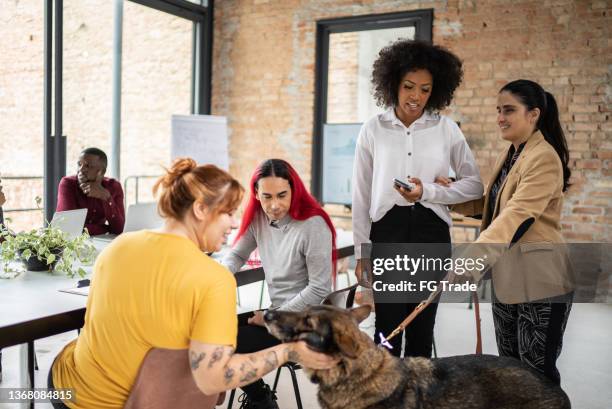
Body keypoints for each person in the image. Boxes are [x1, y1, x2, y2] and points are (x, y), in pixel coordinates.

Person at [49, 158, 337, 409]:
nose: (234, 223)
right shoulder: (212, 280)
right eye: (227, 213)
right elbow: (212, 377)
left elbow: (319, 286)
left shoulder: (117, 246)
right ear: (200, 210)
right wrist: (289, 351)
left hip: (65, 388)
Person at [351, 39, 484, 358]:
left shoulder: (447, 129)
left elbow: (475, 186)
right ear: (393, 83)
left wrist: (430, 191)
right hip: (387, 234)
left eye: (425, 89)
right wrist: (361, 253)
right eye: (409, 86)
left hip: (431, 234)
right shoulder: (373, 129)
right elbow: (361, 194)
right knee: (386, 331)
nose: (416, 96)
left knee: (422, 332)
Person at [446, 79, 574, 384]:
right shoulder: (515, 153)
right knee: (511, 372)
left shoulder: (543, 157)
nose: (500, 117)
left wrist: (474, 257)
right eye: (498, 110)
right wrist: (446, 193)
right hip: (509, 280)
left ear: (533, 114)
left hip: (541, 284)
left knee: (536, 375)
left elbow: (517, 215)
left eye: (509, 110)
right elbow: (496, 205)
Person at [223, 158, 337, 409]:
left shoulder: (313, 225)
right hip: (277, 317)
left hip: (306, 326)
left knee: (229, 344)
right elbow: (237, 254)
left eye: (282, 195)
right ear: (256, 194)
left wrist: (272, 317)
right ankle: (261, 398)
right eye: (267, 197)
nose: (274, 205)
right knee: (216, 331)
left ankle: (260, 400)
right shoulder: (259, 220)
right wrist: (220, 275)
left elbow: (319, 288)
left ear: (294, 190)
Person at [56, 147, 125, 235]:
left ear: (101, 171)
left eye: (88, 166)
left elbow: (120, 229)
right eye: (79, 164)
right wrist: (106, 229)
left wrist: (107, 197)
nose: (80, 169)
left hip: (98, 242)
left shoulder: (113, 186)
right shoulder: (68, 184)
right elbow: (68, 228)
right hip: (68, 242)